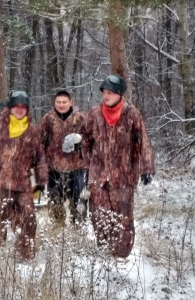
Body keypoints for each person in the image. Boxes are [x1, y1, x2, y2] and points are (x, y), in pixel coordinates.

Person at [81, 74, 155, 262]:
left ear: (120, 94)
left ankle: (121, 255)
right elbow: (84, 139)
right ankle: (104, 250)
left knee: (123, 215)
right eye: (104, 92)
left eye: (111, 92)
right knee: (98, 213)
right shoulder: (94, 113)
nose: (106, 96)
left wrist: (147, 168)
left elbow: (143, 142)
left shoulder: (132, 114)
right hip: (98, 174)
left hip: (124, 174)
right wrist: (86, 161)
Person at [0, 90, 48, 260]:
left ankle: (25, 256)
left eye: (23, 107)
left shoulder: (33, 130)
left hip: (22, 184)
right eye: (16, 106)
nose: (20, 110)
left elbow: (40, 157)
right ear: (10, 107)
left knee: (28, 220)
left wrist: (41, 182)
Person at [40, 90, 88, 225]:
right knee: (55, 206)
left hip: (76, 168)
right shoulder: (47, 119)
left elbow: (90, 141)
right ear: (54, 103)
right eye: (58, 102)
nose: (61, 105)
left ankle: (79, 233)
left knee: (79, 206)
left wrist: (80, 142)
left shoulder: (80, 118)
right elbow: (40, 143)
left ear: (70, 102)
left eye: (64, 102)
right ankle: (57, 232)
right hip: (54, 169)